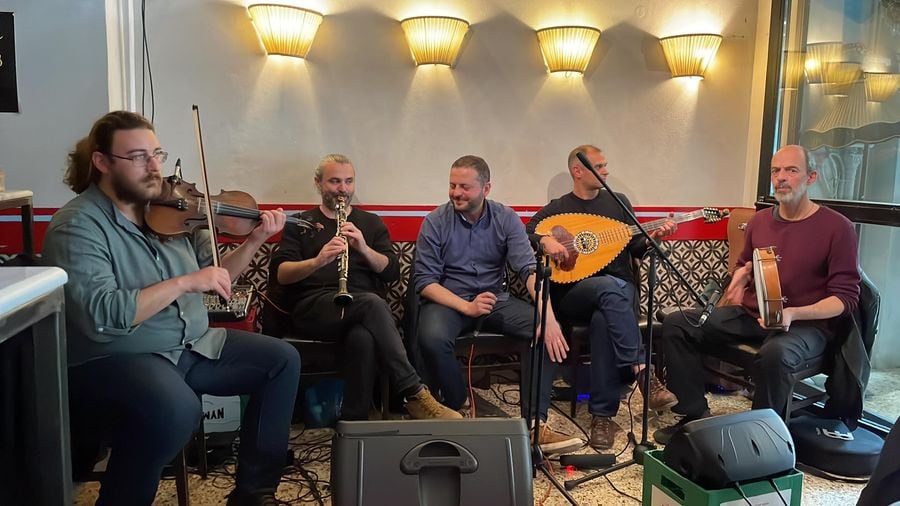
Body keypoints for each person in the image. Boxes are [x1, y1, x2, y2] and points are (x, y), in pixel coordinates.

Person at [41, 111, 301, 506]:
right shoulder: (77, 226)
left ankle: (253, 494)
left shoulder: (171, 213)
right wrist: (183, 282)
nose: (154, 167)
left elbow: (215, 276)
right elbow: (100, 316)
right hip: (119, 355)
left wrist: (254, 241)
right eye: (138, 157)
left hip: (192, 345)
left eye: (157, 154)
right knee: (175, 408)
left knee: (282, 360)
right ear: (102, 162)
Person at [654, 144, 861, 444]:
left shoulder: (838, 228)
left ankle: (763, 440)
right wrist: (739, 276)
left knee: (774, 355)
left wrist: (793, 313)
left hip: (805, 325)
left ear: (811, 177)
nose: (781, 178)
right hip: (753, 315)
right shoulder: (760, 221)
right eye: (776, 171)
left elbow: (845, 300)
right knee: (677, 324)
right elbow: (745, 264)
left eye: (792, 170)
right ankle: (693, 413)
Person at [268, 154, 460, 421]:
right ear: (318, 183)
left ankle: (353, 422)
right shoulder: (301, 223)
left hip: (362, 309)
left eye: (348, 181)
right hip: (315, 308)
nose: (342, 189)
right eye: (334, 181)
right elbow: (281, 275)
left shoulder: (370, 223)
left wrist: (364, 248)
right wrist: (318, 260)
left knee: (364, 336)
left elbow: (392, 272)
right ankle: (414, 392)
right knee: (371, 304)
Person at [414, 154, 582, 454]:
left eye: (464, 186)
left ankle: (535, 425)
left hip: (496, 299)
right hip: (450, 300)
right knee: (430, 337)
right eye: (452, 185)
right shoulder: (435, 221)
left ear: (486, 188)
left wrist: (549, 318)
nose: (456, 193)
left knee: (541, 330)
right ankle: (458, 405)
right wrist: (466, 307)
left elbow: (529, 271)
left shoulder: (505, 218)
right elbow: (425, 282)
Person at [525, 145, 678, 451]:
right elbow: (527, 232)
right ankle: (643, 372)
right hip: (573, 294)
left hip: (618, 294)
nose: (607, 171)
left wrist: (655, 239)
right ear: (577, 171)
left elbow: (634, 247)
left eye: (606, 165)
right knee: (609, 288)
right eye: (600, 166)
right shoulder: (558, 208)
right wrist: (545, 240)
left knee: (604, 317)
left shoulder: (618, 203)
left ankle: (602, 417)